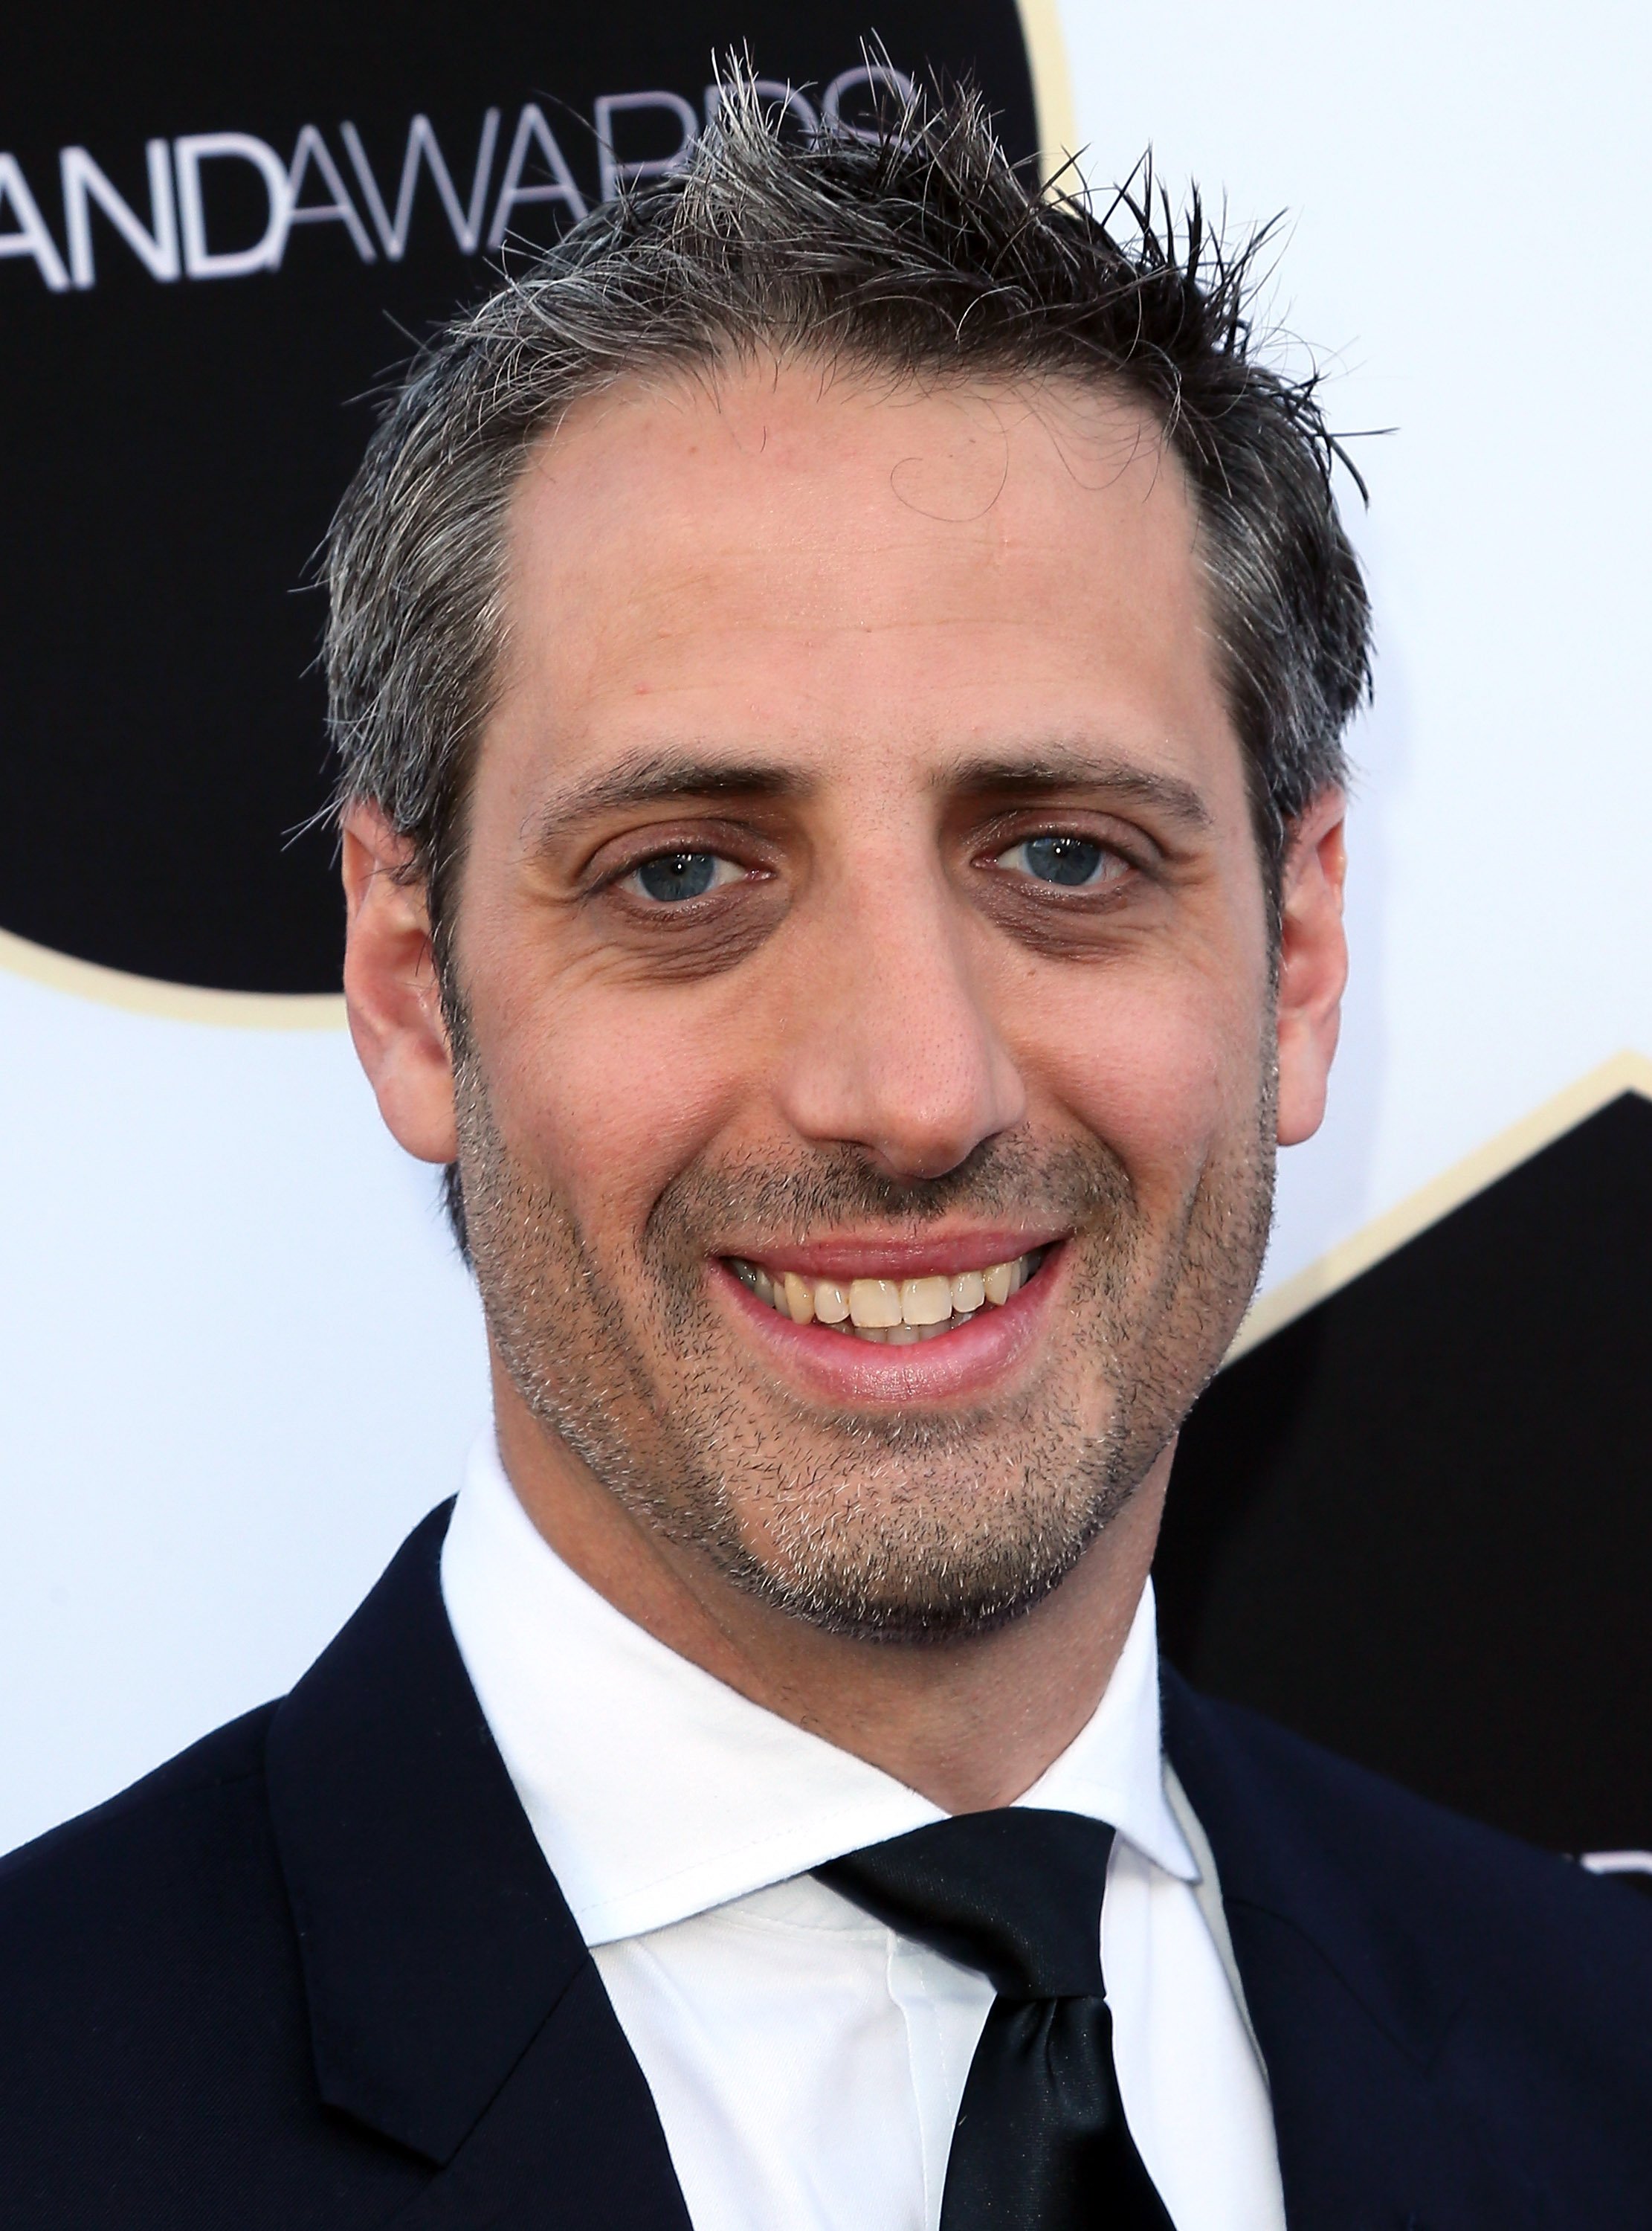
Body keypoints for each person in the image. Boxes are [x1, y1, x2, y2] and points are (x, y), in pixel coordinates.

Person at [3, 77, 1649, 2231]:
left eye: (1064, 854)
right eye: (687, 875)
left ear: (1303, 952)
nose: (911, 1087)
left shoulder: (1610, 2056)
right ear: (412, 989)